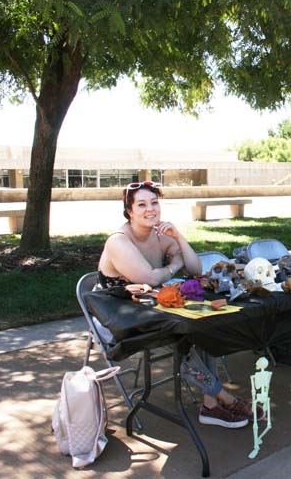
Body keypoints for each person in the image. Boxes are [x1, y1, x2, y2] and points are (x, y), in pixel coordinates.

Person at [97, 181, 260, 428]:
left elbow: (195, 269)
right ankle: (223, 397)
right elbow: (150, 278)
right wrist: (173, 265)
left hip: (151, 308)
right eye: (141, 204)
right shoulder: (119, 241)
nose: (150, 209)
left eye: (154, 203)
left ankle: (210, 404)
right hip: (117, 316)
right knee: (182, 338)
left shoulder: (159, 235)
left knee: (203, 326)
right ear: (129, 211)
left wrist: (178, 237)